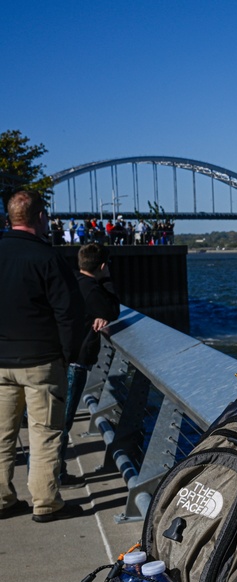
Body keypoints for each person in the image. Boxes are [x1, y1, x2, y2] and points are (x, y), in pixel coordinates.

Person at [0, 190, 85, 522]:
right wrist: (67, 354)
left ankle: (3, 499)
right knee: (45, 433)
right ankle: (46, 503)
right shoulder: (48, 258)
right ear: (39, 217)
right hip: (41, 360)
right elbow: (69, 313)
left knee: (2, 434)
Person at [59, 243, 120, 487]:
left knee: (54, 421)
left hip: (62, 359)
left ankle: (51, 473)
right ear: (102, 266)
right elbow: (113, 308)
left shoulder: (73, 281)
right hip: (76, 363)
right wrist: (106, 281)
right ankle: (57, 475)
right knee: (63, 422)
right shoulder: (92, 289)